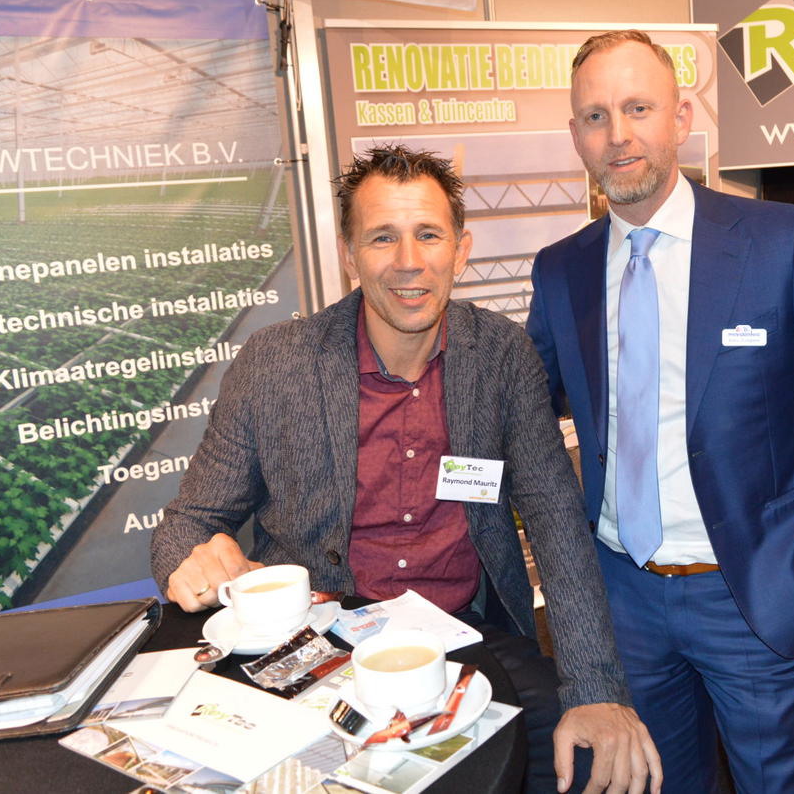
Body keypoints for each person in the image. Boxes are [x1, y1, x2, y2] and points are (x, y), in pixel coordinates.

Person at [151, 145, 661, 794]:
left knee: (585, 761)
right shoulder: (276, 363)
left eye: (428, 234)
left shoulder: (501, 357)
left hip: (467, 643)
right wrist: (190, 561)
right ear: (349, 254)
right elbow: (187, 524)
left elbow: (558, 523)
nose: (409, 261)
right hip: (316, 654)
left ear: (461, 249)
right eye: (382, 237)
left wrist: (594, 689)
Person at [525, 30, 794, 792]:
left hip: (752, 590)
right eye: (595, 116)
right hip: (623, 595)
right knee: (654, 782)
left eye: (639, 108)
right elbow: (523, 409)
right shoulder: (561, 270)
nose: (618, 135)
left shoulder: (782, 240)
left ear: (681, 116)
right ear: (575, 135)